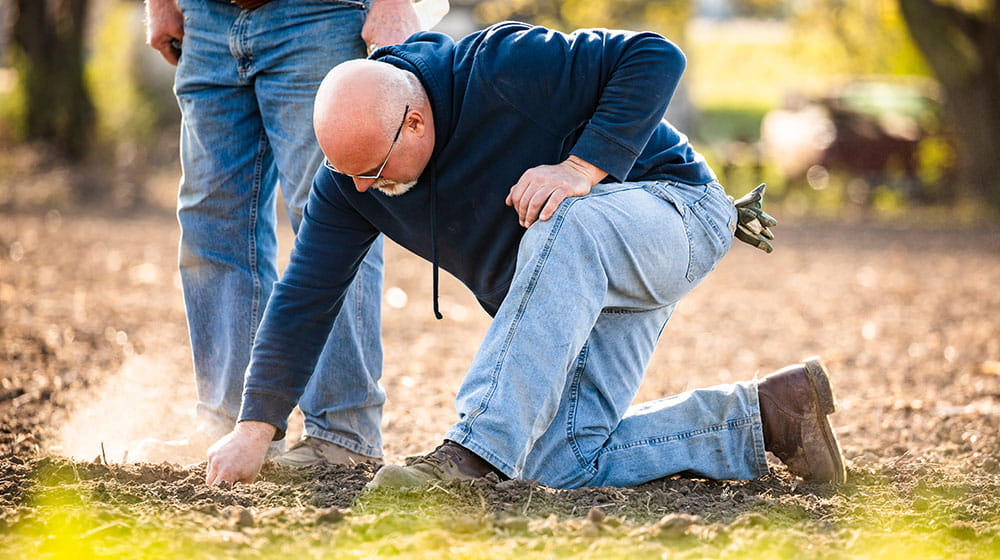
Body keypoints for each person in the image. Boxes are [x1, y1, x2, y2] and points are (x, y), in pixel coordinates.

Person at [205, 22, 846, 488]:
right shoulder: (352, 184)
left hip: (676, 212)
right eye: (350, 176)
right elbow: (305, 297)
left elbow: (656, 55)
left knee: (562, 218)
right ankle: (767, 417)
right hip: (582, 275)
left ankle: (470, 456)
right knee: (560, 461)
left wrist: (579, 167)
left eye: (372, 168)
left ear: (416, 123)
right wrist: (256, 425)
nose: (365, 190)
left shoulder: (502, 67)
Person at [139, 0, 421, 467]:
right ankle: (232, 426)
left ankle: (342, 434)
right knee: (211, 219)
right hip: (205, 19)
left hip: (320, 15)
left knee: (333, 211)